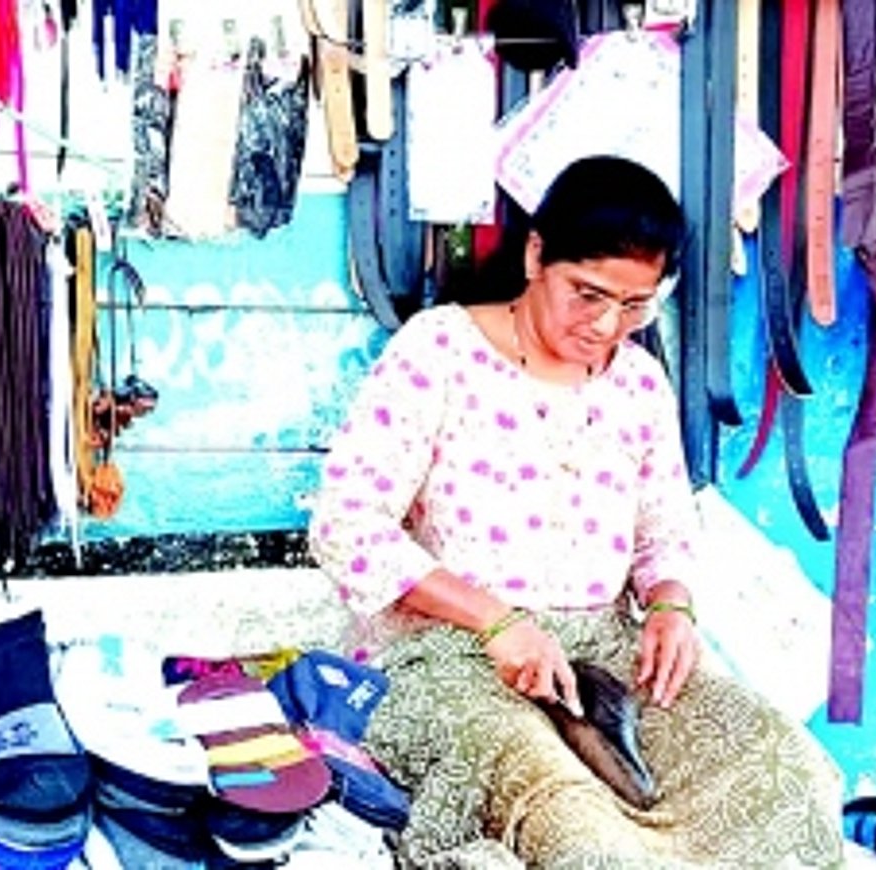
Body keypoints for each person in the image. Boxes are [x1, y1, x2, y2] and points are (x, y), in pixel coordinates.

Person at [308, 156, 846, 868]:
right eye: (587, 294)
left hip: (603, 657)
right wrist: (498, 621)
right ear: (536, 255)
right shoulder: (440, 350)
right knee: (567, 814)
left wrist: (670, 609)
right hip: (447, 653)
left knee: (788, 771)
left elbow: (665, 536)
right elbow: (348, 525)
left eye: (635, 306)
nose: (606, 326)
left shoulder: (639, 383)